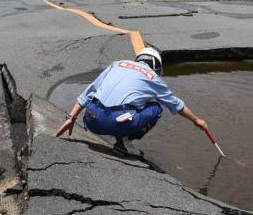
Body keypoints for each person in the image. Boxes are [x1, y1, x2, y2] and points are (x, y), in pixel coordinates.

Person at [55, 47, 210, 155]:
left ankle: (118, 134)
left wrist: (71, 118)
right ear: (156, 65)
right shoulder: (153, 77)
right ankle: (125, 142)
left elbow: (89, 92)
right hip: (114, 121)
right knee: (156, 107)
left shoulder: (117, 64)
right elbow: (176, 104)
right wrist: (196, 120)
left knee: (125, 103)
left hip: (90, 119)